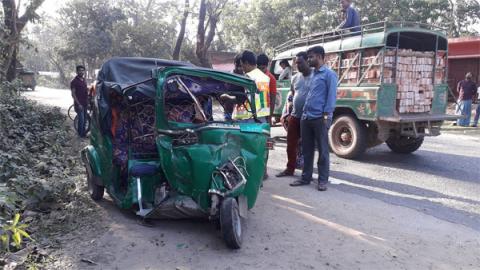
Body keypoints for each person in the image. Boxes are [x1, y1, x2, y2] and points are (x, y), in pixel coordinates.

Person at [290, 46, 337, 191]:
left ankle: (322, 180)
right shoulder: (313, 74)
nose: (308, 59)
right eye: (308, 57)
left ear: (320, 56)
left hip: (319, 118)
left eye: (311, 57)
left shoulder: (329, 75)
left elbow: (331, 98)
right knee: (307, 150)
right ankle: (305, 178)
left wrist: (326, 117)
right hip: (306, 117)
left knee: (323, 150)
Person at [276, 52, 312, 177]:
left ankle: (306, 173)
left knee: (307, 146)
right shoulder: (295, 78)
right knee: (290, 145)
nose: (298, 66)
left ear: (307, 61)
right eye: (296, 63)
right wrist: (287, 113)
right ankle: (289, 169)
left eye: (300, 63)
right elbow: (291, 95)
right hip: (295, 116)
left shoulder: (316, 76)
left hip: (309, 117)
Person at [257, 53, 277, 119]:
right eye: (259, 68)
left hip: (265, 114)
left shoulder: (271, 78)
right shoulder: (253, 76)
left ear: (267, 66)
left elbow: (273, 99)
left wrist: (270, 116)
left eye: (263, 68)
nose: (261, 71)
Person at [71, 65, 89, 138]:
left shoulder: (84, 80)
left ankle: (83, 134)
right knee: (81, 120)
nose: (81, 72)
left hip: (85, 103)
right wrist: (78, 104)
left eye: (82, 70)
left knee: (85, 120)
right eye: (80, 70)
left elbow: (85, 91)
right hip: (79, 104)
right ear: (77, 71)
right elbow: (73, 94)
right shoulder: (74, 81)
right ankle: (80, 135)